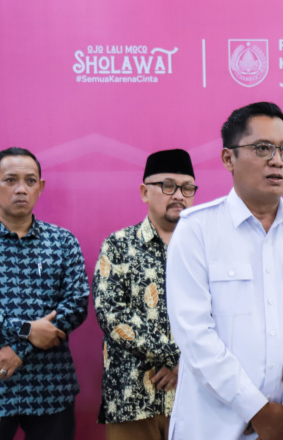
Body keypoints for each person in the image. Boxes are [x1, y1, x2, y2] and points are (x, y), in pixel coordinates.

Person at [165, 102, 283, 440]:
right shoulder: (197, 230)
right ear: (228, 158)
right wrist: (257, 410)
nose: (277, 160)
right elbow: (194, 334)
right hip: (215, 423)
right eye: (262, 148)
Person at [0, 147, 89, 440]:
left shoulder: (62, 242)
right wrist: (27, 330)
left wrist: (19, 348)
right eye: (10, 180)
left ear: (41, 187)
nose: (21, 189)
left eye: (30, 181)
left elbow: (76, 305)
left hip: (50, 388)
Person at [93, 149, 197, 440]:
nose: (178, 195)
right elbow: (112, 314)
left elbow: (222, 313)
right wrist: (176, 356)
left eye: (187, 188)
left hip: (195, 399)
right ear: (144, 192)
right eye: (167, 186)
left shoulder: (206, 248)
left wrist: (187, 364)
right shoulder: (118, 245)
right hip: (132, 398)